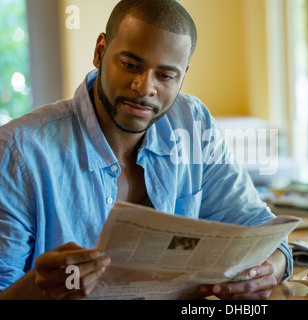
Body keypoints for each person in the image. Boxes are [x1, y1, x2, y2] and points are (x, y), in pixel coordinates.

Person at [0, 0, 292, 300]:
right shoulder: (16, 151)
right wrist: (39, 285)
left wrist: (267, 270)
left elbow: (263, 231)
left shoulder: (193, 124)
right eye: (130, 65)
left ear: (183, 74)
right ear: (100, 51)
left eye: (165, 75)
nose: (144, 87)